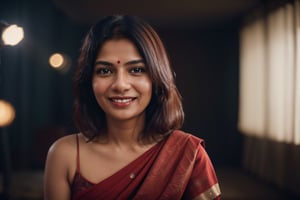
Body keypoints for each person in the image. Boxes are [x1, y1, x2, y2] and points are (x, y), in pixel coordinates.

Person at [44, 15, 221, 200]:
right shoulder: (65, 154)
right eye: (105, 71)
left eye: (136, 70)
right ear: (89, 81)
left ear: (156, 78)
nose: (120, 85)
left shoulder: (188, 155)